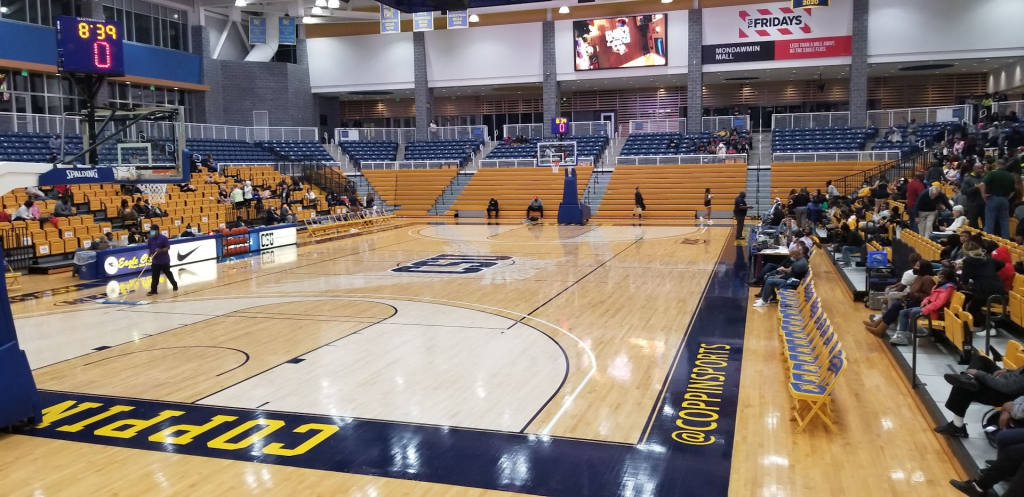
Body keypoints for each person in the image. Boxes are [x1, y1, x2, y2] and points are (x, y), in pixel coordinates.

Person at [864, 258, 934, 337]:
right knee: (896, 304)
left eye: (917, 266)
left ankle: (880, 330)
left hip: (920, 304)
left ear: (923, 268)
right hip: (913, 300)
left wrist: (913, 295)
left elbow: (930, 296)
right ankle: (877, 325)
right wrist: (908, 295)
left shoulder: (927, 279)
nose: (914, 267)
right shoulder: (918, 277)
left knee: (897, 305)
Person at [887, 267, 957, 345]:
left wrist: (925, 309)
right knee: (903, 312)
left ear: (943, 276)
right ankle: (902, 335)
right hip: (928, 308)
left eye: (939, 274)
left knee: (912, 312)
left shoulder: (948, 288)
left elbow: (939, 303)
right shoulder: (939, 286)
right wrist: (925, 301)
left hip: (935, 311)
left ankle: (910, 334)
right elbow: (930, 296)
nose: (937, 276)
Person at [960, 241, 1007, 329]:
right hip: (998, 287)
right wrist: (990, 271)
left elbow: (964, 279)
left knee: (972, 308)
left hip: (985, 289)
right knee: (974, 303)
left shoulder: (968, 261)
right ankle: (983, 325)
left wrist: (967, 283)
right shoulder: (986, 257)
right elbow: (1002, 264)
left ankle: (989, 327)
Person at [980, 159, 1015, 239]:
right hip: (1004, 200)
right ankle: (1006, 241)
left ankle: (988, 240)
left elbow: (982, 184)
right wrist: (1007, 198)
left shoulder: (992, 173)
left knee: (990, 221)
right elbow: (1013, 191)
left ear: (997, 164)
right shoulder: (1010, 176)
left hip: (993, 198)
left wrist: (983, 195)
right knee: (1004, 222)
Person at [145, 224, 177, 296]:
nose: (151, 231)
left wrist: (161, 250)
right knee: (155, 276)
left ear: (157, 230)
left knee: (168, 274)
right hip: (155, 261)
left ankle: (174, 284)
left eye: (153, 230)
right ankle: (153, 290)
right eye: (151, 230)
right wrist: (148, 256)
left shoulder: (163, 238)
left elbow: (168, 247)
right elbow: (150, 249)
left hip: (164, 260)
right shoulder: (150, 239)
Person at [961, 161, 986, 228]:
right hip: (973, 205)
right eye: (979, 169)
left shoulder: (985, 178)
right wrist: (976, 188)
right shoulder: (968, 179)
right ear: (974, 169)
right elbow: (963, 191)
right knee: (973, 225)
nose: (981, 170)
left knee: (986, 224)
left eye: (982, 168)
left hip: (984, 205)